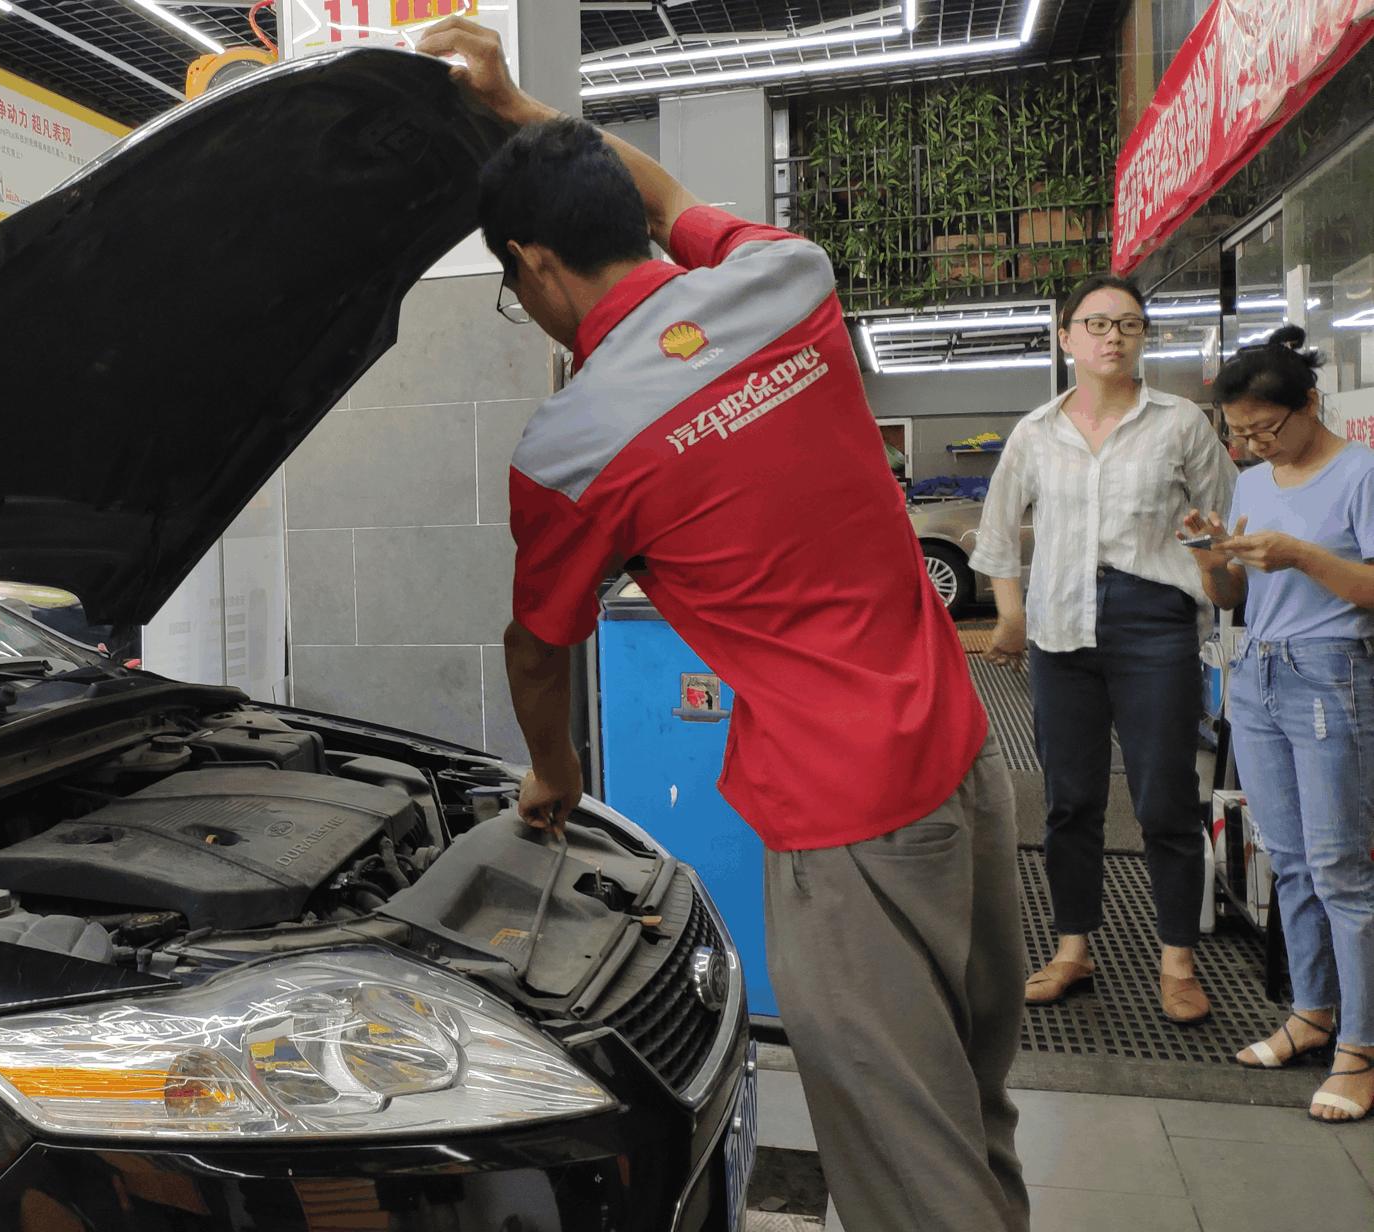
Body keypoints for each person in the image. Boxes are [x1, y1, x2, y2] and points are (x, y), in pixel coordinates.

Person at [415, 18, 1025, 1232]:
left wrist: (554, 770)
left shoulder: (573, 449)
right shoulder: (783, 275)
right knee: (971, 1112)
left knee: (910, 1166)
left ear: (534, 266)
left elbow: (540, 642)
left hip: (849, 821)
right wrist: (519, 103)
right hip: (968, 757)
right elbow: (672, 193)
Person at [973, 274, 1236, 1025]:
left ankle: (1178, 960)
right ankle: (1072, 949)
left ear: (1144, 337)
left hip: (1153, 619)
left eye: (1127, 323)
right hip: (1059, 627)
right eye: (1095, 323)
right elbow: (997, 533)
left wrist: (1216, 567)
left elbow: (1224, 521)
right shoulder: (1036, 431)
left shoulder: (1181, 423)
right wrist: (1011, 615)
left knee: (1165, 798)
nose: (1111, 335)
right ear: (1066, 338)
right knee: (1070, 800)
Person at [1183, 326, 1374, 1124]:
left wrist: (1299, 557)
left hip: (1333, 671)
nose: (1255, 445)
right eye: (1241, 435)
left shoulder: (1361, 472)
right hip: (1256, 671)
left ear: (1310, 404)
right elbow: (1232, 600)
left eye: (1266, 428)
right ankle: (1312, 1014)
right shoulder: (1254, 483)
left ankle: (1360, 1049)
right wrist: (1208, 555)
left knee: (1339, 867)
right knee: (1288, 860)